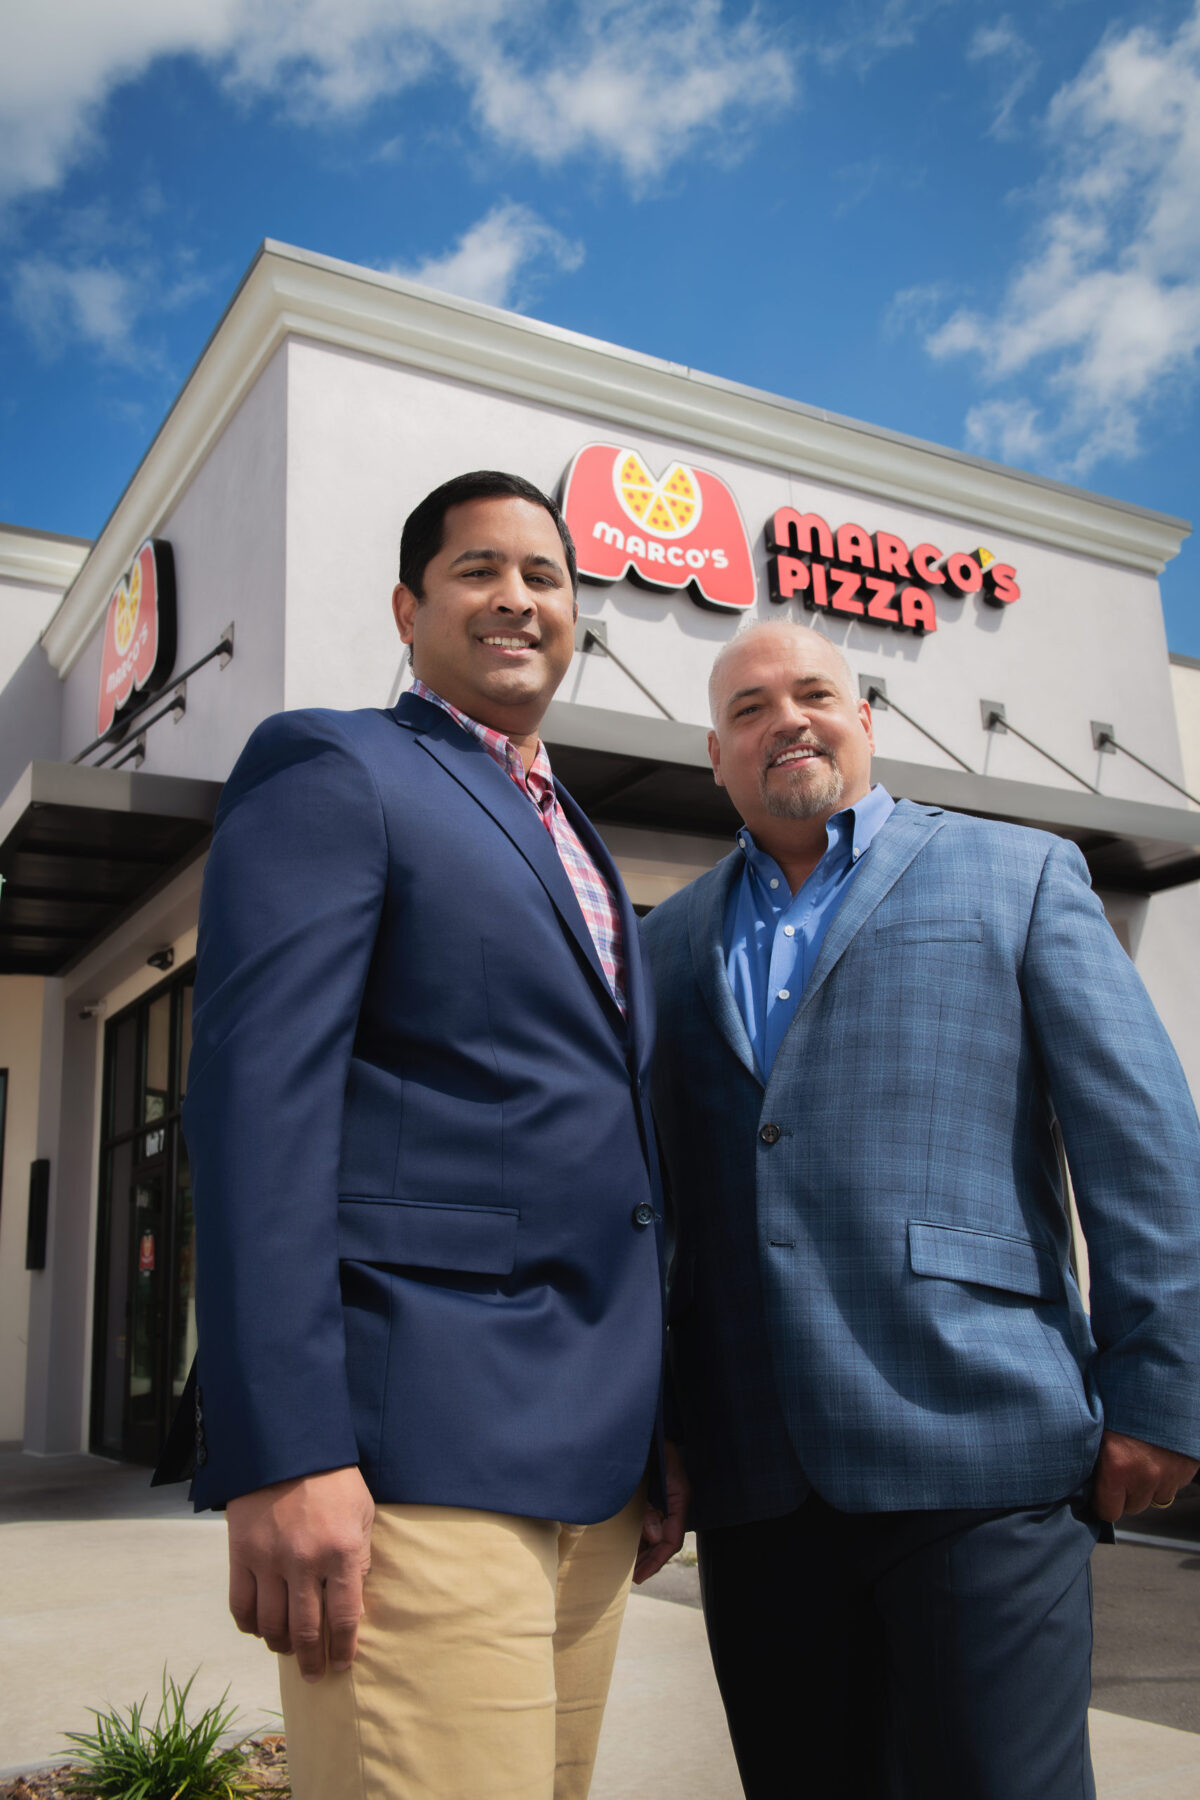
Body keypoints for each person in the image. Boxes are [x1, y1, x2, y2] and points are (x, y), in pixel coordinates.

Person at [164, 471, 684, 1800]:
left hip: (594, 1472)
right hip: (414, 1455)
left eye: (546, 576)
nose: (518, 597)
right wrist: (286, 1446)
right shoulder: (335, 766)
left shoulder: (576, 835)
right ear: (409, 609)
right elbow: (259, 1111)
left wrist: (659, 1428)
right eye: (478, 570)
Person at [641, 617, 1200, 1800]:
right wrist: (662, 1426)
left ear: (864, 719)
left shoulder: (1020, 873)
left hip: (981, 1447)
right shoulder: (667, 941)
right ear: (714, 755)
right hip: (755, 1475)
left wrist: (1161, 1388)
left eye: (813, 694)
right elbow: (655, 1207)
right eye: (748, 709)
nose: (786, 720)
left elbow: (1143, 1146)